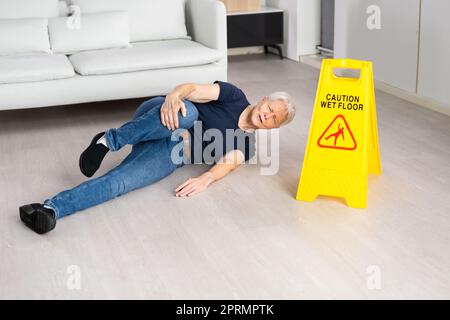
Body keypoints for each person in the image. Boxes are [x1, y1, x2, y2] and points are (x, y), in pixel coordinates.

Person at [19, 81, 296, 234]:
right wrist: (174, 95)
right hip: (161, 116)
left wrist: (206, 179)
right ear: (262, 100)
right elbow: (193, 91)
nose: (267, 116)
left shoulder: (247, 144)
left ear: (274, 128)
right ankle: (109, 140)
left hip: (171, 152)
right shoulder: (234, 96)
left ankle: (50, 209)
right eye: (270, 108)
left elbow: (228, 163)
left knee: (121, 183)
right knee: (188, 113)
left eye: (274, 120)